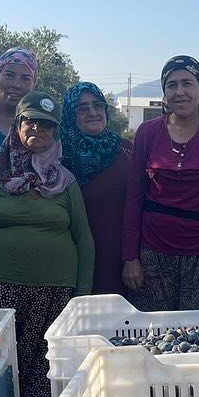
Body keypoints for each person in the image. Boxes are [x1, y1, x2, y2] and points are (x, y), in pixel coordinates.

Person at [0, 90, 93, 397]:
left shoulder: (65, 182)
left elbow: (84, 239)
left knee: (45, 371)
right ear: (17, 125)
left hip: (55, 294)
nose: (38, 130)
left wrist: (82, 298)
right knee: (0, 369)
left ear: (55, 132)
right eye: (30, 122)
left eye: (46, 125)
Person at [122, 55, 199, 311]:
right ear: (164, 92)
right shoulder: (147, 132)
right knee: (154, 338)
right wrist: (130, 257)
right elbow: (134, 198)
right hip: (153, 254)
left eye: (187, 83)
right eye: (172, 85)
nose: (180, 92)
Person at [59, 81, 132, 295]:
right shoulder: (57, 155)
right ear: (71, 115)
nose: (93, 112)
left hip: (121, 260)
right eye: (83, 108)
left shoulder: (125, 150)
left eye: (98, 105)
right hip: (73, 261)